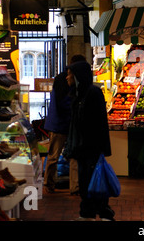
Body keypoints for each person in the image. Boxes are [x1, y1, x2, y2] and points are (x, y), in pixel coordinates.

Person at [63, 60, 114, 221]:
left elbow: (99, 123)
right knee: (85, 182)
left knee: (95, 181)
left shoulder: (93, 93)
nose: (67, 78)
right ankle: (87, 212)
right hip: (81, 148)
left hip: (91, 147)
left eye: (70, 74)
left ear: (78, 76)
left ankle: (104, 213)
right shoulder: (77, 94)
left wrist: (99, 147)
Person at [43, 54, 86, 194]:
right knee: (57, 155)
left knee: (65, 155)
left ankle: (57, 185)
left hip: (63, 122)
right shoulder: (64, 79)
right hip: (61, 123)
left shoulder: (67, 78)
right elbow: (63, 102)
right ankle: (51, 183)